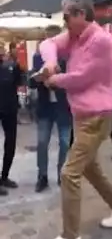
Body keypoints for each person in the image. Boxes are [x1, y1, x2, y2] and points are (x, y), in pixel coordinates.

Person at [39, 0, 112, 239]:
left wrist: (53, 79)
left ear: (81, 14)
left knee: (69, 174)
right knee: (90, 169)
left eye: (66, 17)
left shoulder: (101, 41)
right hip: (83, 115)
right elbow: (47, 43)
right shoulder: (76, 35)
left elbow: (82, 78)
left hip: (96, 117)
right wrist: (50, 63)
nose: (64, 23)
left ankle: (70, 235)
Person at [31, 25, 72, 193]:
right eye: (48, 38)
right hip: (45, 107)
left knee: (64, 143)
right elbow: (31, 81)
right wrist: (39, 78)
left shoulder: (67, 58)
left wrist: (61, 76)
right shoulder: (37, 57)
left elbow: (74, 80)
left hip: (63, 107)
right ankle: (42, 176)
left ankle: (61, 173)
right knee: (42, 142)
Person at [0, 41, 24, 196]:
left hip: (9, 109)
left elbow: (19, 82)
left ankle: (4, 176)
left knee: (11, 143)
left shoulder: (10, 66)